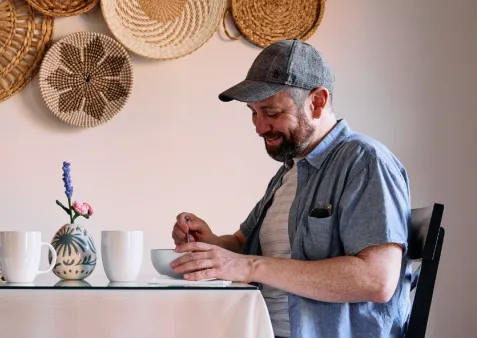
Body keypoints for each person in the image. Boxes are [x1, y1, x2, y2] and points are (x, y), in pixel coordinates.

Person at [170, 39, 411, 338]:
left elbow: (377, 279)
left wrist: (249, 267)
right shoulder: (289, 172)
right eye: (253, 113)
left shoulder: (364, 161)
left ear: (317, 102)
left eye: (271, 113)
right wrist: (212, 242)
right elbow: (243, 245)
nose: (259, 127)